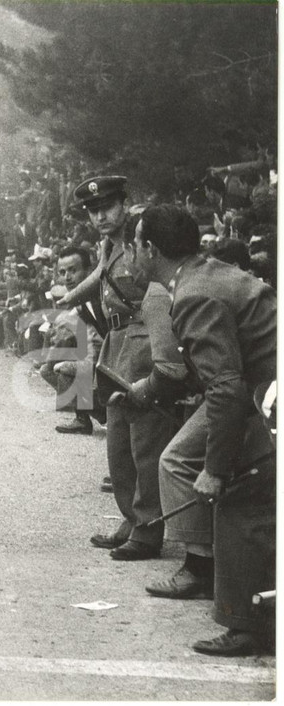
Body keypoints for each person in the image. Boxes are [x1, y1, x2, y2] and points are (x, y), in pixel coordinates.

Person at [131, 204, 275, 656]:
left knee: (239, 497)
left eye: (137, 245)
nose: (134, 254)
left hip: (265, 395)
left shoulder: (193, 294)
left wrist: (215, 468)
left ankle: (247, 625)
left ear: (151, 250)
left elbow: (227, 388)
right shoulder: (209, 273)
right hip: (263, 388)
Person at [58, 176, 181, 561]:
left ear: (124, 204)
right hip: (115, 343)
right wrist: (70, 297)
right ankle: (131, 519)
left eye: (108, 207)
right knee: (119, 442)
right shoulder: (109, 244)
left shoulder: (143, 235)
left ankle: (147, 531)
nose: (100, 216)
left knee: (145, 441)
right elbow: (101, 276)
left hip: (145, 338)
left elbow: (165, 284)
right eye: (93, 211)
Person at [38, 246, 105, 435]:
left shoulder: (99, 298)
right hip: (95, 357)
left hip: (110, 359)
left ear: (89, 271)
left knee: (62, 369)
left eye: (73, 271)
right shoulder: (78, 303)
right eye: (62, 272)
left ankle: (98, 412)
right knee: (48, 369)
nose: (67, 277)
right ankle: (90, 413)